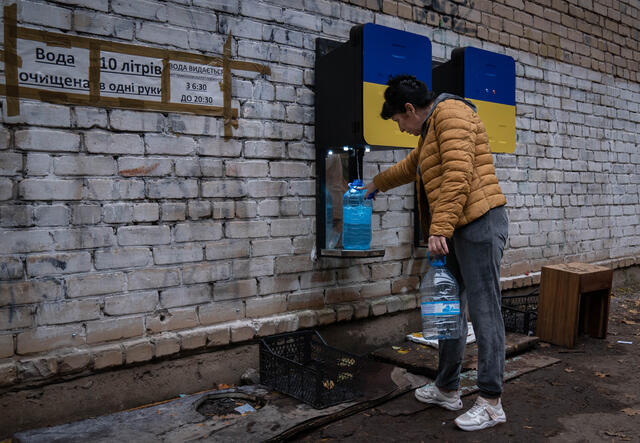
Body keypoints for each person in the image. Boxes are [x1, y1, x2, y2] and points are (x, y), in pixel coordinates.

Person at [363, 74, 509, 431]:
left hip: (480, 223)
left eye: (400, 120)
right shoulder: (431, 128)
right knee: (449, 306)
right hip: (460, 225)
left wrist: (438, 229)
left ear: (410, 109)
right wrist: (375, 185)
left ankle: (491, 401)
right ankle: (447, 387)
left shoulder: (451, 114)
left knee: (484, 309)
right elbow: (412, 166)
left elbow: (458, 174)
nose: (401, 128)